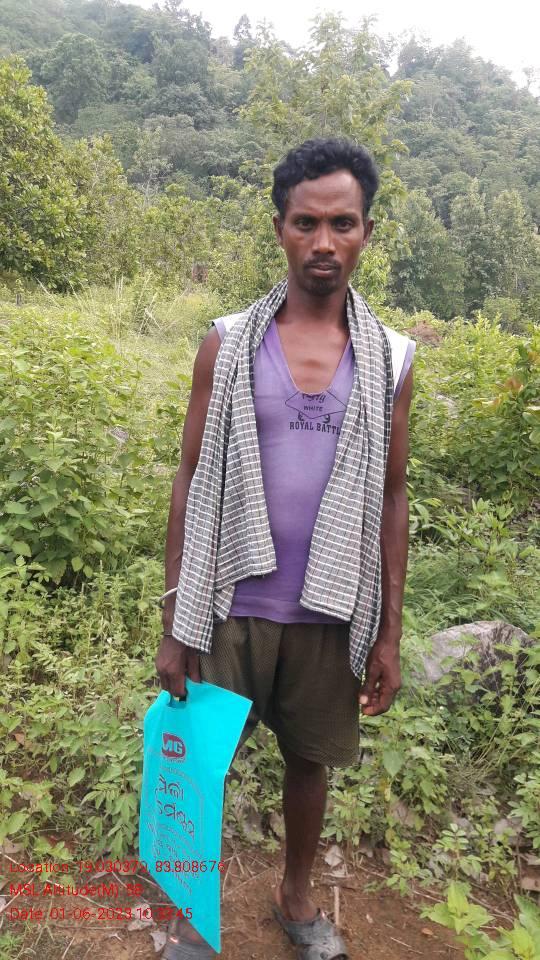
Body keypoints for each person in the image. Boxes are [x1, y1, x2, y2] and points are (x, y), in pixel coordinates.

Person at [156, 137, 416, 960]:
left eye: (343, 223)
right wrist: (174, 619)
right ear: (280, 230)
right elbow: (190, 476)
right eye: (307, 223)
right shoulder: (228, 343)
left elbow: (394, 494)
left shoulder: (391, 358)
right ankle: (192, 911)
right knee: (205, 763)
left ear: (366, 232)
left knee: (310, 764)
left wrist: (389, 632)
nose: (324, 242)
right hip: (229, 600)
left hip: (332, 606)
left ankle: (296, 895)